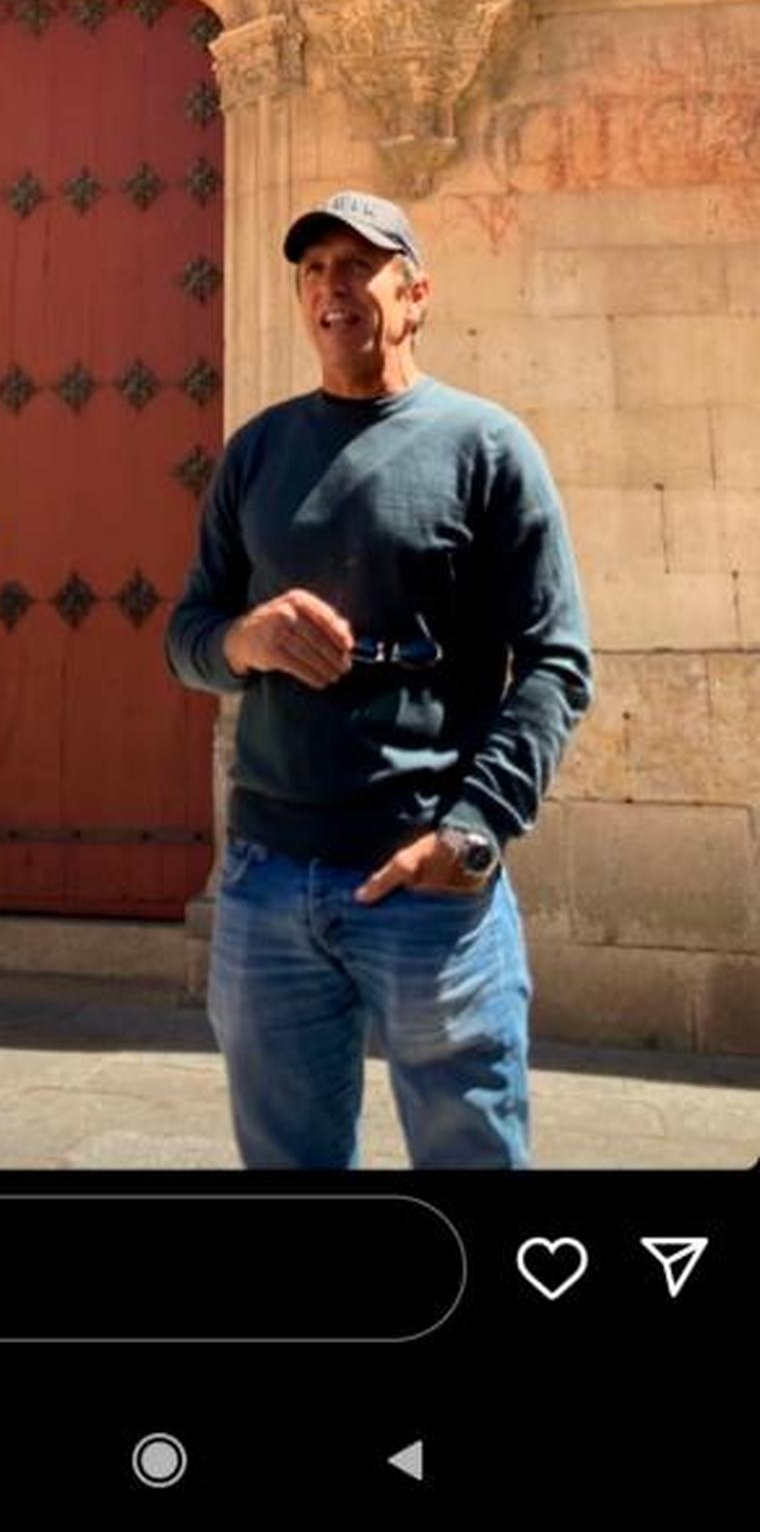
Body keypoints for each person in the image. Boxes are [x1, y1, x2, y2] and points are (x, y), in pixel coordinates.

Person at [166, 189, 593, 1171]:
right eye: (314, 268)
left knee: (472, 1152)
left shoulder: (487, 448)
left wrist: (472, 832)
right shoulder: (258, 452)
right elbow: (185, 633)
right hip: (267, 881)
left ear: (416, 294)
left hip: (429, 892)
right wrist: (247, 637)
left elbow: (559, 660)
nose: (333, 285)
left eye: (360, 264)